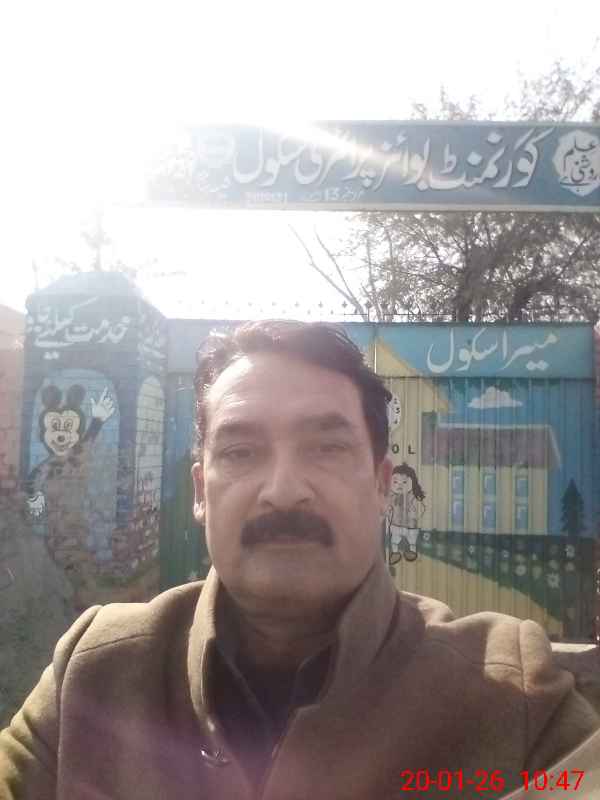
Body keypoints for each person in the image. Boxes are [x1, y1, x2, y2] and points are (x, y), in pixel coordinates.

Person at [0, 320, 598, 800]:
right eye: (241, 451)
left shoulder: (514, 699)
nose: (283, 491)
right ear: (201, 492)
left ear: (381, 485)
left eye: (327, 448)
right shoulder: (93, 674)